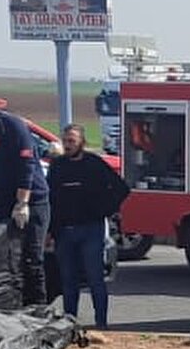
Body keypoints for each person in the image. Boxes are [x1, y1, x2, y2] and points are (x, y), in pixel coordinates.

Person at [47, 124, 129, 330]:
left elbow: (121, 189)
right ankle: (69, 324)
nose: (68, 145)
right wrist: (50, 230)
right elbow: (50, 199)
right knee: (68, 281)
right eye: (65, 141)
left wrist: (104, 210)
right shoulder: (57, 166)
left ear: (82, 142)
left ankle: (101, 323)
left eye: (72, 141)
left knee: (95, 279)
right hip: (64, 232)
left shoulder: (94, 164)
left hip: (90, 230)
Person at [0, 94, 49, 307]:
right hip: (5, 203)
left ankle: (37, 308)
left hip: (31, 203)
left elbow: (26, 166)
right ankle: (13, 308)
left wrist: (22, 203)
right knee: (8, 260)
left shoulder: (12, 126)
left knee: (31, 259)